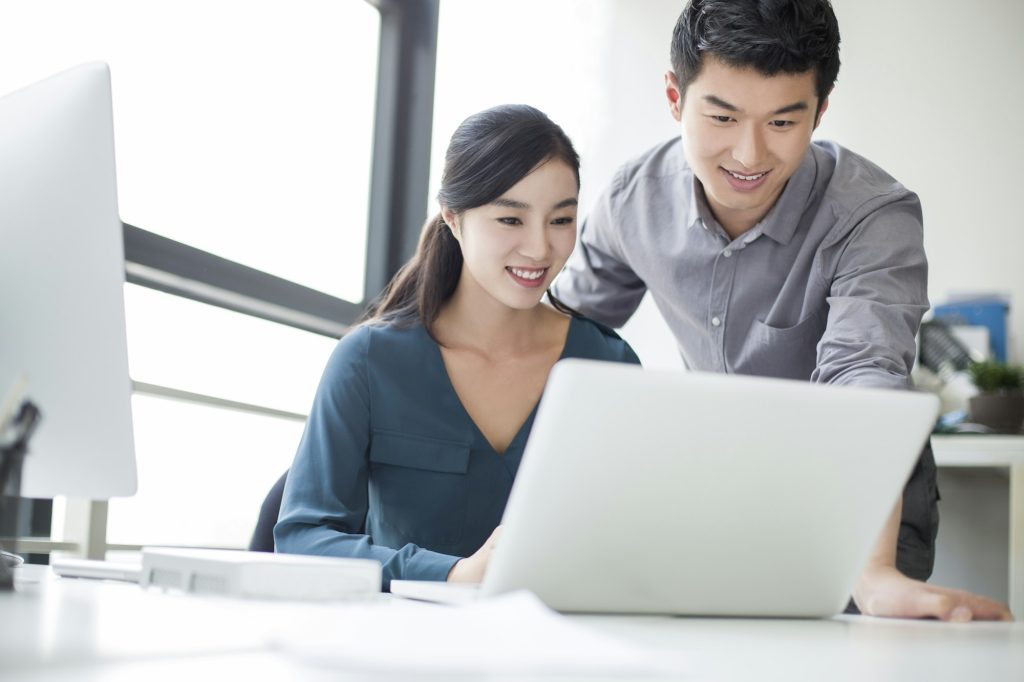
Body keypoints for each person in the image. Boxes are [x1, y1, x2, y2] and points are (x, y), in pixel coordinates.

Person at [551, 0, 1012, 621]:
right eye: (722, 116)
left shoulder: (872, 215)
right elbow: (558, 334)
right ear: (674, 97)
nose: (748, 154)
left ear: (820, 110)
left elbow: (865, 375)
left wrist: (870, 572)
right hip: (720, 494)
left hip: (860, 505)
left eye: (782, 122)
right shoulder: (635, 201)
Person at [274, 104, 639, 589]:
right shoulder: (367, 361)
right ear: (453, 216)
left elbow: (637, 539)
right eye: (510, 219)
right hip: (404, 655)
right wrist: (450, 573)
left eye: (561, 219)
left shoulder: (609, 366)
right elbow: (303, 538)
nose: (539, 248)